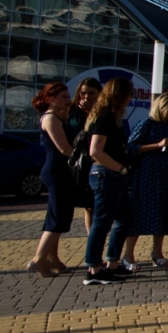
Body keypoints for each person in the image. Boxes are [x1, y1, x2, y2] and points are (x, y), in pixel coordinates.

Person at [117, 93, 168, 268]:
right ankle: (128, 254)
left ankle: (157, 252)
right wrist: (157, 145)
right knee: (139, 213)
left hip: (167, 173)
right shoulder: (147, 124)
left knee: (163, 211)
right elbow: (131, 147)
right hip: (147, 174)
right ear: (161, 108)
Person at [81, 78, 136, 286]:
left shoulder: (112, 117)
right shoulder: (104, 118)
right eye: (129, 94)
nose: (131, 98)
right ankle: (93, 269)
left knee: (125, 219)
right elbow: (95, 151)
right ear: (120, 95)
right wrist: (119, 168)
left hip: (114, 174)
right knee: (102, 223)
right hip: (106, 174)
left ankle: (112, 263)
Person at [29, 82, 76, 276]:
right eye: (63, 97)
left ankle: (52, 257)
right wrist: (86, 157)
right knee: (58, 217)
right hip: (57, 171)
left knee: (57, 216)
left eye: (67, 96)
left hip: (62, 170)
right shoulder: (50, 119)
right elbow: (64, 148)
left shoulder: (59, 117)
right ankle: (38, 259)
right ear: (51, 99)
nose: (68, 100)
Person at [67, 77, 102, 233]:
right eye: (83, 93)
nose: (87, 97)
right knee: (87, 206)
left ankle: (92, 240)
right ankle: (91, 239)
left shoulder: (102, 113)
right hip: (75, 160)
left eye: (91, 93)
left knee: (93, 204)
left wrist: (91, 113)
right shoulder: (72, 112)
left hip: (93, 160)